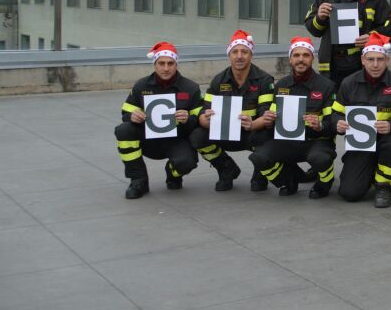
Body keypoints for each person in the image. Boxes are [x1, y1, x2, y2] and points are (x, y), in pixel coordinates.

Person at [247, 37, 338, 198]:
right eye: (296, 55)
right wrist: (268, 120)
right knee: (258, 158)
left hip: (315, 142)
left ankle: (325, 181)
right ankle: (289, 179)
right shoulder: (281, 84)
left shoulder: (327, 86)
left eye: (305, 55)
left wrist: (321, 126)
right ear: (290, 59)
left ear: (312, 58)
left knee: (320, 159)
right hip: (287, 141)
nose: (301, 59)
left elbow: (332, 123)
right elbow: (274, 118)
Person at [328, 31, 391, 208]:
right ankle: (370, 171)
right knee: (350, 193)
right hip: (360, 144)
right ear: (363, 60)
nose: (375, 64)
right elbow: (335, 114)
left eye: (380, 59)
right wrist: (338, 123)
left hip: (388, 139)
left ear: (387, 60)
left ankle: (384, 186)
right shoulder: (348, 83)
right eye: (371, 59)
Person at [190, 30, 275, 192]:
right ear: (229, 55)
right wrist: (204, 119)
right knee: (197, 136)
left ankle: (260, 173)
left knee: (267, 134)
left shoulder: (265, 80)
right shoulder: (218, 80)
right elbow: (204, 110)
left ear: (251, 55)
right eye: (235, 52)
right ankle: (226, 169)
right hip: (225, 132)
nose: (239, 56)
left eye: (244, 51)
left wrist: (253, 124)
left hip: (252, 132)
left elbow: (266, 114)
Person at [115, 42, 202, 199]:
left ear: (176, 64)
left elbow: (200, 119)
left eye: (170, 63)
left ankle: (173, 173)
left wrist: (188, 119)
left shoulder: (191, 88)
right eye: (161, 63)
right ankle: (138, 180)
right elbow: (126, 111)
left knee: (187, 162)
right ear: (155, 64)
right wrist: (132, 115)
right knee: (123, 130)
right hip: (148, 139)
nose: (166, 68)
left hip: (177, 140)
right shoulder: (141, 85)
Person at [306, 0, 391, 87]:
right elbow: (314, 30)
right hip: (331, 64)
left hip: (362, 63)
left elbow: (389, 28)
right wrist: (320, 17)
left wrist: (372, 37)